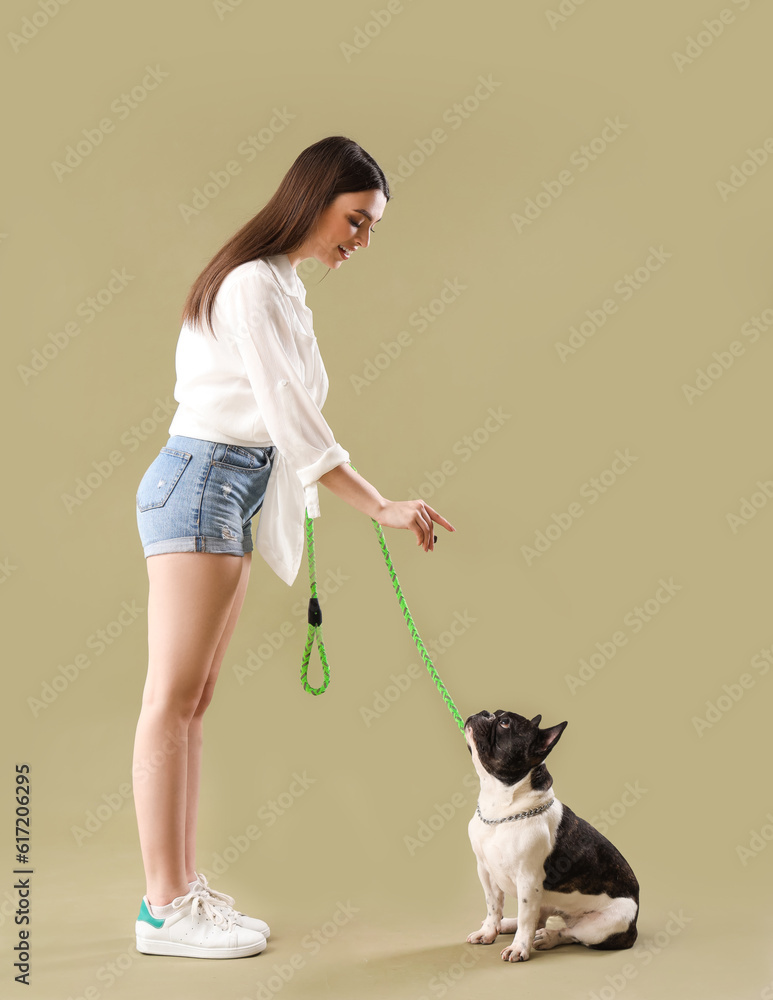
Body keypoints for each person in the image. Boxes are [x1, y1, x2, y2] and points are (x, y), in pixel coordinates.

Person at [131, 135, 456, 959]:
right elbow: (288, 416)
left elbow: (285, 423)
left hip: (226, 486)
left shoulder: (277, 283)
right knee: (170, 699)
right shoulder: (250, 285)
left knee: (192, 702)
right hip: (201, 481)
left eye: (371, 226)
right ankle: (163, 908)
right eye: (355, 219)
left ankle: (178, 893)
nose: (361, 239)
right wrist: (377, 504)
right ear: (313, 201)